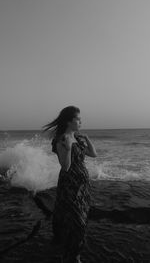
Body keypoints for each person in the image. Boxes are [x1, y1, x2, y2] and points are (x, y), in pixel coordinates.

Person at [43, 106, 97, 263]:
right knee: (76, 221)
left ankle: (71, 253)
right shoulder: (61, 140)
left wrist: (87, 139)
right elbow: (65, 167)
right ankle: (73, 257)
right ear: (68, 121)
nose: (81, 121)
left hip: (83, 185)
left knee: (82, 217)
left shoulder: (78, 139)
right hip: (70, 186)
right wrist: (67, 148)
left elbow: (94, 154)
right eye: (78, 119)